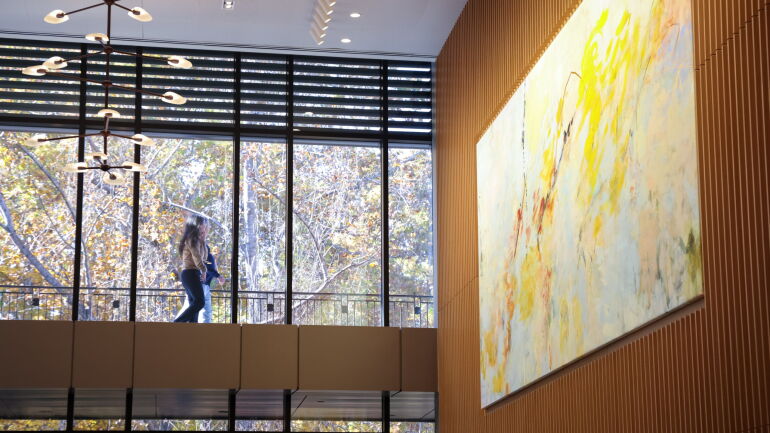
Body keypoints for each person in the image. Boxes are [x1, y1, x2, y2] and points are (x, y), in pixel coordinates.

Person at [173, 215, 210, 323]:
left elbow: (204, 258)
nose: (205, 226)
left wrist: (203, 239)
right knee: (199, 302)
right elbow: (197, 257)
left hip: (193, 273)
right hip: (190, 273)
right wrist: (204, 270)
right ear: (196, 225)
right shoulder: (191, 239)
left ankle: (191, 328)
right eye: (203, 224)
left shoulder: (198, 240)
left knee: (194, 305)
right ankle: (177, 323)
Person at [177, 244, 225, 323]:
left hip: (203, 285)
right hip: (202, 285)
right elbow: (209, 269)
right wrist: (218, 276)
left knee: (198, 307)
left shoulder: (203, 257)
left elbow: (208, 269)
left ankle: (181, 323)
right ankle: (177, 322)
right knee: (198, 307)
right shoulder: (207, 257)